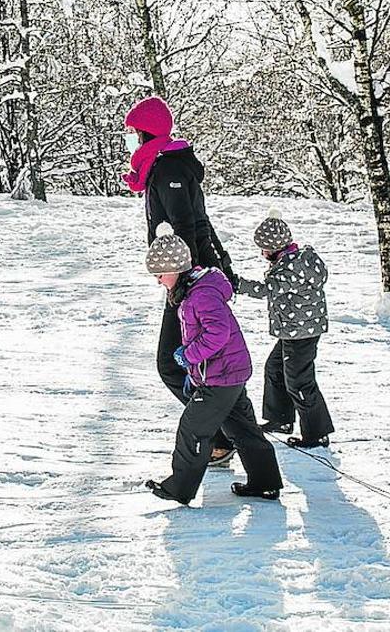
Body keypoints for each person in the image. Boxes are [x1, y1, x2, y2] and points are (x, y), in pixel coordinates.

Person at [122, 96, 238, 466]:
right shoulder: (164, 164)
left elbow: (188, 225)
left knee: (171, 364)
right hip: (189, 277)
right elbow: (198, 221)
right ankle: (229, 435)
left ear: (146, 133)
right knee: (207, 365)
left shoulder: (168, 169)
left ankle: (222, 437)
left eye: (133, 133)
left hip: (191, 281)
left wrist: (186, 282)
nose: (130, 140)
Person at [142, 223, 284, 505]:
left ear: (176, 269)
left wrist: (189, 355)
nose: (158, 281)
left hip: (222, 376)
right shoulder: (195, 291)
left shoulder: (201, 295)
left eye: (160, 274)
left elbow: (217, 333)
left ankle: (179, 488)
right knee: (243, 429)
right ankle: (265, 483)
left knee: (193, 427)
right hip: (229, 372)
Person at [234, 209, 335, 448]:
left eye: (264, 249)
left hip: (301, 333)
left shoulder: (291, 267)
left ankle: (317, 433)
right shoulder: (297, 259)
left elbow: (266, 290)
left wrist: (236, 283)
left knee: (299, 381)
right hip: (296, 329)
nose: (262, 254)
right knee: (275, 368)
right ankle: (280, 419)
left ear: (275, 247)